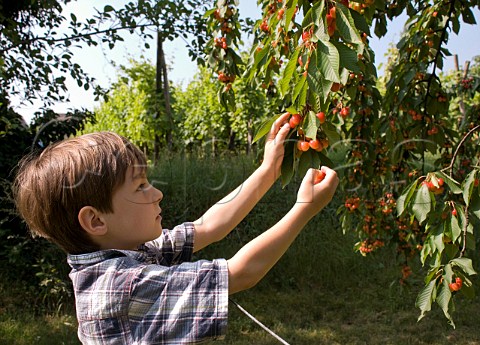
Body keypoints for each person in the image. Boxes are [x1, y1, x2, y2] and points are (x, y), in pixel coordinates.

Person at [12, 113, 339, 344]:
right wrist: (304, 210)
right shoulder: (120, 286)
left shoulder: (124, 255)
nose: (157, 193)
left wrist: (268, 170)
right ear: (96, 220)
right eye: (140, 187)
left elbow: (209, 226)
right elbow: (241, 273)